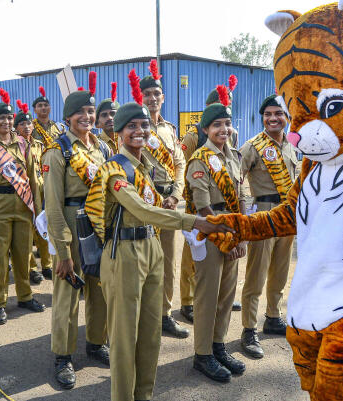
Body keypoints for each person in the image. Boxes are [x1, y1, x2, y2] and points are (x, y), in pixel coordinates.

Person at [85, 96, 234, 401]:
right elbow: (143, 210)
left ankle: (144, 395)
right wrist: (195, 222)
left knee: (151, 333)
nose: (139, 131)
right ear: (119, 132)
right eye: (131, 126)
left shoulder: (146, 165)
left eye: (143, 125)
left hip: (152, 246)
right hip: (124, 253)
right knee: (125, 337)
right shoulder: (115, 169)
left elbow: (167, 191)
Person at [42, 80, 110, 390]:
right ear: (68, 117)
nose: (87, 116)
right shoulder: (56, 151)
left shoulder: (102, 147)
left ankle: (96, 343)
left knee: (99, 289)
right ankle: (62, 357)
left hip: (98, 227)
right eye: (80, 112)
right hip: (70, 227)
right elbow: (53, 205)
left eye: (91, 111)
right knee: (68, 294)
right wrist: (63, 252)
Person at [184, 86, 247, 382]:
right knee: (207, 296)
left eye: (227, 124)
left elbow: (242, 198)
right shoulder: (199, 159)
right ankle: (203, 354)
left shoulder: (234, 155)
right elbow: (204, 208)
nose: (223, 129)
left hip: (232, 231)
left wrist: (242, 235)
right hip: (211, 235)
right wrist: (227, 239)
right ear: (206, 129)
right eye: (216, 125)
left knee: (226, 295)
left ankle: (219, 346)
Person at [0, 89, 45, 325]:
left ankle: (25, 296)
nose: (6, 122)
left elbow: (33, 179)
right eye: (1, 118)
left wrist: (37, 210)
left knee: (23, 256)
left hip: (23, 206)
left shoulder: (23, 144)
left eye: (9, 118)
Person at [238, 94, 298, 359]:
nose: (273, 118)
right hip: (263, 215)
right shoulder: (252, 146)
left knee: (280, 272)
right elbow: (236, 179)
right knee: (256, 275)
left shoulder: (291, 147)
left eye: (278, 114)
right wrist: (243, 215)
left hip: (287, 216)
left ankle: (273, 317)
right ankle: (248, 329)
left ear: (286, 118)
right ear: (262, 118)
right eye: (268, 115)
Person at [179, 77, 240, 323]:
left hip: (223, 198)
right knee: (192, 252)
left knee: (215, 259)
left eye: (228, 103)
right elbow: (184, 163)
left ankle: (217, 294)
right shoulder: (193, 135)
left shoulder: (231, 134)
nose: (225, 105)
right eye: (218, 103)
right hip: (198, 196)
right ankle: (187, 299)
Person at [137, 61, 188, 338]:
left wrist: (176, 195)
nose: (152, 98)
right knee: (143, 260)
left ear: (163, 97)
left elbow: (179, 163)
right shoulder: (136, 127)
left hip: (168, 203)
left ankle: (165, 314)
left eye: (156, 94)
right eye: (147, 95)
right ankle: (145, 314)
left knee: (167, 261)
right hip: (145, 203)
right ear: (140, 97)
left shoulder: (169, 129)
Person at [13, 100, 52, 284]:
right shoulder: (15, 146)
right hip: (24, 193)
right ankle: (31, 268)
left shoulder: (38, 144)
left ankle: (47, 264)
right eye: (22, 124)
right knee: (27, 232)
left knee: (43, 227)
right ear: (16, 127)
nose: (27, 127)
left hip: (41, 190)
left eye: (29, 123)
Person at [31, 86, 61, 151]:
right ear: (35, 110)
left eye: (46, 105)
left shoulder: (59, 127)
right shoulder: (30, 127)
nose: (43, 108)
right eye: (40, 105)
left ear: (50, 108)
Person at [95, 82, 120, 153]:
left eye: (113, 114)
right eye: (104, 115)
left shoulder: (129, 141)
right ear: (97, 124)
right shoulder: (95, 144)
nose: (110, 118)